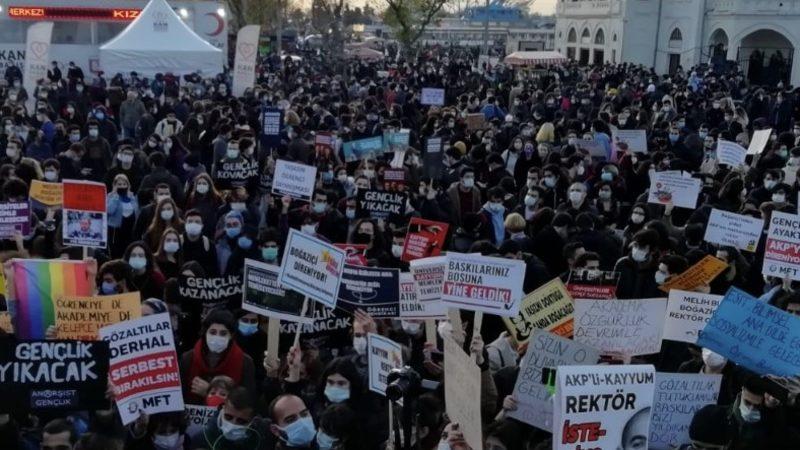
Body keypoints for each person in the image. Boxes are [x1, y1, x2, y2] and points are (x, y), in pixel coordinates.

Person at [180, 310, 256, 404]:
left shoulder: (245, 362)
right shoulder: (188, 358)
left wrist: (209, 393)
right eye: (213, 332)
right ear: (205, 332)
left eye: (223, 333)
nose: (217, 337)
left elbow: (247, 401)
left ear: (231, 335)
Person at [195, 386, 271, 450]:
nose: (233, 424)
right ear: (223, 408)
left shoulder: (265, 437)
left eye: (241, 421)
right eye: (228, 417)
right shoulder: (203, 439)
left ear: (253, 420)